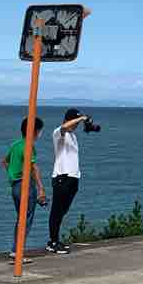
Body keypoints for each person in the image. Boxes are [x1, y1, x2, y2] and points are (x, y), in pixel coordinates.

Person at [1, 116, 47, 262]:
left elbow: (5, 161)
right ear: (34, 131)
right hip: (26, 185)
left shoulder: (16, 145)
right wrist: (41, 188)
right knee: (26, 219)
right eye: (40, 130)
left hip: (15, 186)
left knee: (21, 219)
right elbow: (34, 168)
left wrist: (12, 174)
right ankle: (18, 252)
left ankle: (15, 250)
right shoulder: (29, 146)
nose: (41, 133)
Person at [47, 108, 90, 255]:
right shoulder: (58, 133)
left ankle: (55, 240)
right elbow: (64, 127)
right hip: (62, 176)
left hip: (72, 177)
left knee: (62, 211)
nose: (76, 125)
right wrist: (81, 118)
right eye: (75, 121)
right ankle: (53, 242)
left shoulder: (73, 136)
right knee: (56, 211)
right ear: (69, 119)